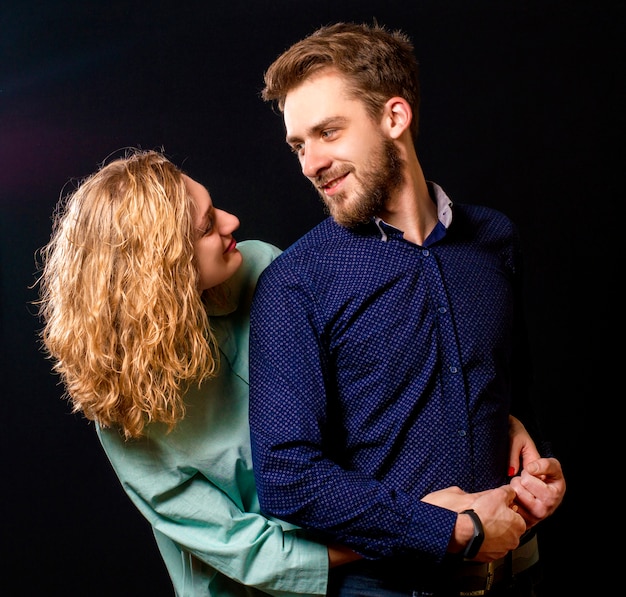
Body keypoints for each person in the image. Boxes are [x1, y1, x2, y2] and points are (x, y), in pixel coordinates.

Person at [248, 22, 566, 596]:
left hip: (520, 578)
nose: (309, 164)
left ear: (394, 118)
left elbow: (514, 396)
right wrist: (450, 529)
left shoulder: (495, 239)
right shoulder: (295, 283)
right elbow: (287, 478)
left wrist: (536, 464)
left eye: (327, 133)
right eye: (299, 144)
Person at [34, 148, 359, 596]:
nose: (231, 222)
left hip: (363, 545)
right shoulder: (123, 412)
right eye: (208, 226)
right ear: (160, 273)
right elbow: (245, 550)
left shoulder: (262, 267)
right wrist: (397, 535)